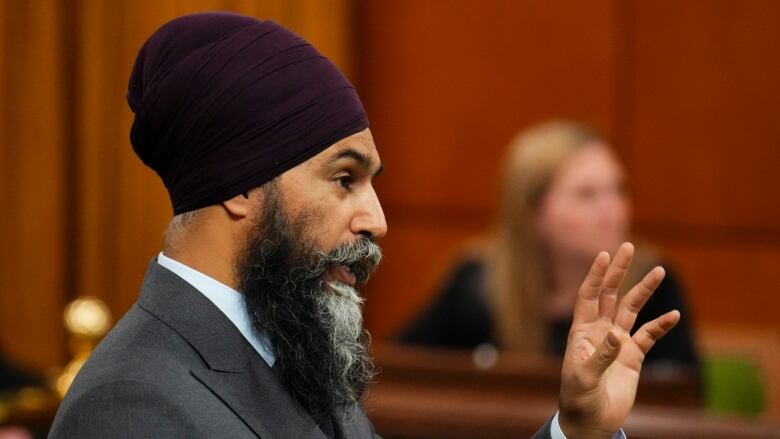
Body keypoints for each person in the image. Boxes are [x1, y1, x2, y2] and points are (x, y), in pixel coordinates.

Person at [48, 13, 680, 439]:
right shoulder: (130, 405)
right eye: (344, 178)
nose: (375, 219)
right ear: (238, 185)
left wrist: (577, 429)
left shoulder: (296, 347)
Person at [399, 120, 698, 368]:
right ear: (532, 213)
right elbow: (400, 369)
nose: (615, 210)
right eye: (587, 195)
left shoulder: (652, 284)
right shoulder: (479, 282)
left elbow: (684, 400)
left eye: (619, 190)